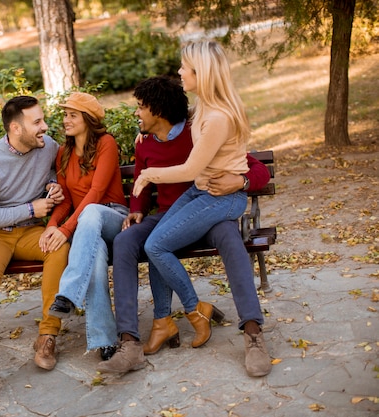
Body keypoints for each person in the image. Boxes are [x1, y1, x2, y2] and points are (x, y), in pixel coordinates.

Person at [97, 75, 272, 377]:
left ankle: (254, 333)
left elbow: (255, 169)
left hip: (209, 212)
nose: (136, 113)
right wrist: (137, 210)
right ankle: (129, 344)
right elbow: (142, 184)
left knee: (230, 237)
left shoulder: (199, 131)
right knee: (126, 241)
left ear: (158, 109)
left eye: (140, 107)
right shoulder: (145, 142)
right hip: (166, 216)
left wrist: (241, 181)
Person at [0, 95, 69, 401]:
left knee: (57, 248)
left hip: (28, 234)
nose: (44, 127)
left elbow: (54, 173)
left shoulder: (47, 147)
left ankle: (47, 336)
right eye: (37, 122)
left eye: (43, 120)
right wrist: (30, 208)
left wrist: (53, 185)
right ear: (15, 128)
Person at [41, 92, 128, 359]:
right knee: (96, 256)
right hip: (87, 229)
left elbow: (97, 192)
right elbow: (65, 200)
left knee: (91, 210)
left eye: (72, 115)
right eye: (64, 115)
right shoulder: (64, 153)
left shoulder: (106, 143)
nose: (65, 120)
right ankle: (105, 340)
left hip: (113, 218)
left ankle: (67, 293)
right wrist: (52, 225)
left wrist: (67, 230)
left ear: (88, 119)